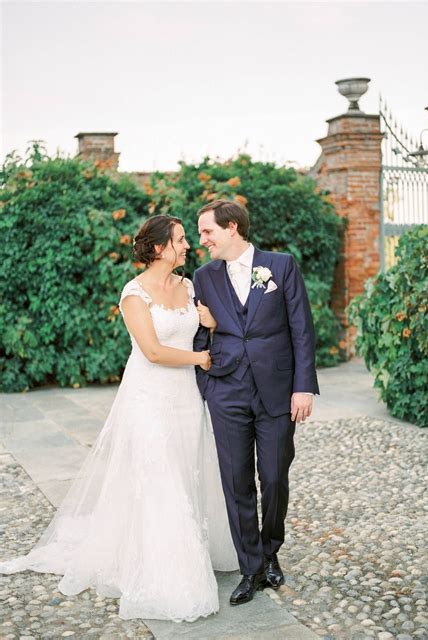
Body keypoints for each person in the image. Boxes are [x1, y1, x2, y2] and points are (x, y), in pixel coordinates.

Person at [0, 215, 237, 622]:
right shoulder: (134, 295)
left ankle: (188, 548)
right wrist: (201, 358)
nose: (187, 246)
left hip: (184, 397)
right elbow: (154, 352)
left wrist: (211, 327)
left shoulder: (189, 286)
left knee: (185, 471)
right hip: (148, 397)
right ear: (160, 248)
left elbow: (201, 331)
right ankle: (167, 571)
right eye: (181, 240)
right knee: (160, 475)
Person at [193, 199, 319, 606]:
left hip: (277, 390)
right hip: (226, 390)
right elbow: (199, 333)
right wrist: (206, 386)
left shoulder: (281, 266)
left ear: (232, 228)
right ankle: (251, 568)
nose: (202, 240)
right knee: (237, 482)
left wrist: (303, 387)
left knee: (274, 476)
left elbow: (302, 328)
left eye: (207, 231)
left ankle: (271, 552)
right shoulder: (204, 276)